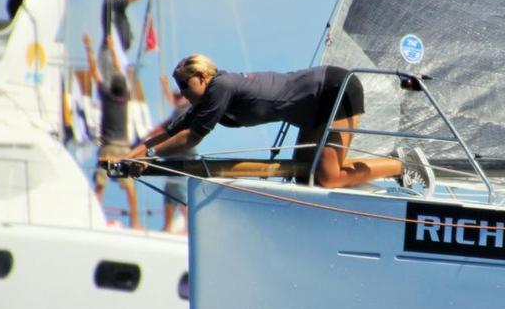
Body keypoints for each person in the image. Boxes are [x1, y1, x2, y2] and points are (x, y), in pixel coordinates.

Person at [110, 56, 434, 190]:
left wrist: (149, 158)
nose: (182, 93)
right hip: (312, 108)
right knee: (306, 182)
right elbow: (171, 130)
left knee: (328, 178)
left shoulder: (220, 87)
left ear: (202, 76)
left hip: (334, 91)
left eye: (185, 85)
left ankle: (400, 164)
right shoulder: (211, 97)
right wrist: (132, 154)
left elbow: (189, 139)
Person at [83, 33, 142, 229]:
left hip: (108, 147)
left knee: (100, 184)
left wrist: (89, 48)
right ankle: (135, 222)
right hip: (124, 148)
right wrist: (113, 49)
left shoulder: (106, 96)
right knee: (130, 189)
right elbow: (120, 71)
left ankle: (93, 221)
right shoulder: (125, 97)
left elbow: (94, 72)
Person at [144, 75, 195, 233]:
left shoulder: (186, 109)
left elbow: (166, 127)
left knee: (179, 190)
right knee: (169, 192)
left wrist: (146, 138)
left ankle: (187, 228)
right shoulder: (179, 109)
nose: (176, 98)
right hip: (172, 157)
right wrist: (165, 86)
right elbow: (167, 120)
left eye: (179, 96)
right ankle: (167, 227)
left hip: (182, 157)